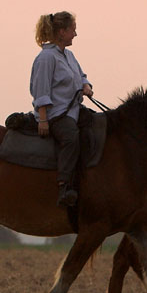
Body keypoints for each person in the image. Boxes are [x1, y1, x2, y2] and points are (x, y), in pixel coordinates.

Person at [30, 11, 94, 207]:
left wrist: (86, 86)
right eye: (72, 30)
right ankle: (64, 185)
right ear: (61, 32)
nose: (75, 34)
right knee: (70, 138)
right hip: (56, 114)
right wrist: (43, 119)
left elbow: (81, 76)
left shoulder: (69, 55)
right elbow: (41, 90)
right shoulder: (46, 58)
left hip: (74, 110)